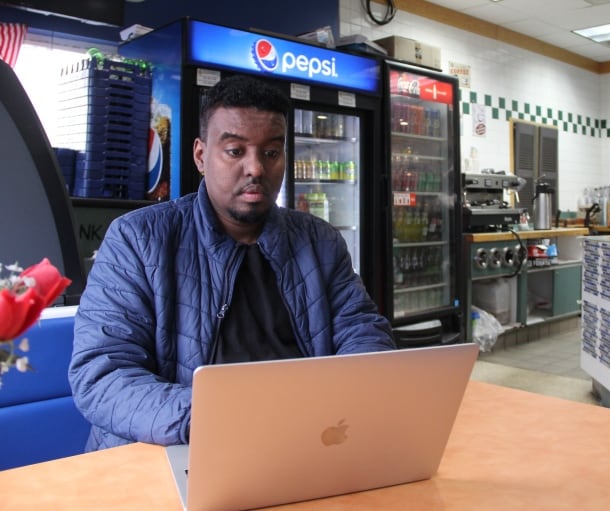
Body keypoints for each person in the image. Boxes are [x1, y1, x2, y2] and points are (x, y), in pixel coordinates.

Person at [69, 75, 396, 451]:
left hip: (304, 443)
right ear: (200, 156)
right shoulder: (138, 239)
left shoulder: (319, 241)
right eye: (235, 151)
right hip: (182, 446)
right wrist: (215, 419)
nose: (256, 168)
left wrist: (346, 401)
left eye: (271, 152)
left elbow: (364, 334)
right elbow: (102, 376)